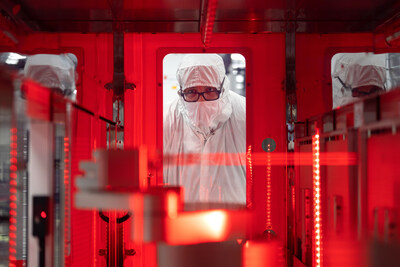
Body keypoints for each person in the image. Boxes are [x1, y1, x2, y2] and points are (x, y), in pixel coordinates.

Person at [163, 54, 246, 206]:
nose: (201, 101)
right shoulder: (167, 118)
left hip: (235, 223)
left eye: (209, 90)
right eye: (192, 92)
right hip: (179, 223)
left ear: (223, 87)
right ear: (181, 92)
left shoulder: (245, 114)